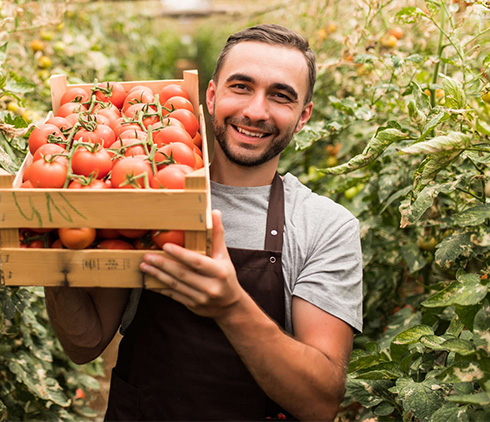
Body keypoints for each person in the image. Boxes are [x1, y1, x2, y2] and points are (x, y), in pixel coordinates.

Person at [45, 24, 363, 421]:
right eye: (241, 87)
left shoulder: (325, 227)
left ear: (303, 117)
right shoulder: (145, 193)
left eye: (281, 97)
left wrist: (231, 307)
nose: (255, 111)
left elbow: (320, 403)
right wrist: (50, 250)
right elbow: (85, 343)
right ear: (211, 96)